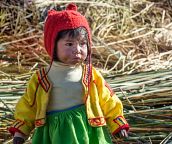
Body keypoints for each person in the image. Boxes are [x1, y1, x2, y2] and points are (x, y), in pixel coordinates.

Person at [9, 3, 130, 144]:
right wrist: (20, 133)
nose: (77, 49)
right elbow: (28, 105)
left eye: (82, 43)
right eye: (69, 44)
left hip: (88, 131)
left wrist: (117, 123)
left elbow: (108, 99)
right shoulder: (41, 78)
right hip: (55, 134)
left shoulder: (90, 74)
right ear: (53, 45)